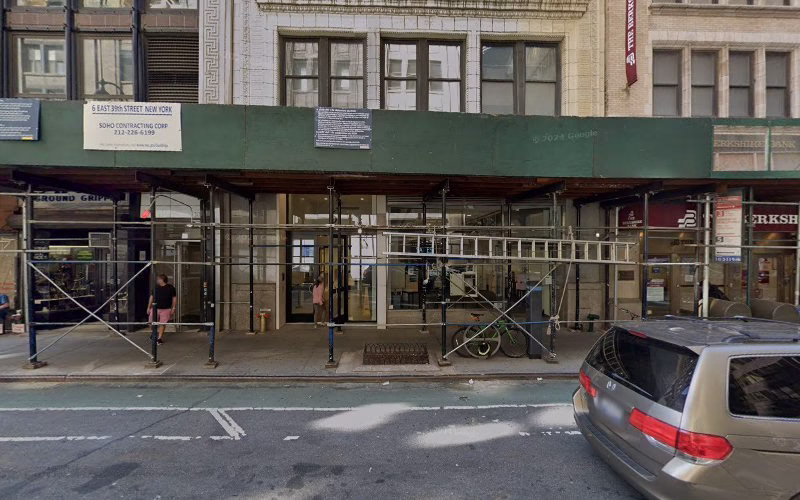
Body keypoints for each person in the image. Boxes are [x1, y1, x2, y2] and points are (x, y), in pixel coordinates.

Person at [147, 274, 176, 344]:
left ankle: (159, 338)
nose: (157, 280)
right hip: (155, 308)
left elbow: (174, 298)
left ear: (162, 280)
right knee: (151, 322)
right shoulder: (155, 287)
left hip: (166, 309)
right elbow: (151, 297)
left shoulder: (170, 287)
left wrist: (173, 307)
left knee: (162, 324)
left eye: (158, 279)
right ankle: (154, 333)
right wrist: (148, 307)